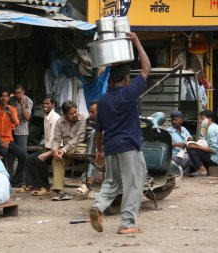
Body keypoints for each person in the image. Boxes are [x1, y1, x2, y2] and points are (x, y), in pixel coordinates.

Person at [90, 32, 151, 234]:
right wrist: (136, 42)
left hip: (111, 147)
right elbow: (146, 69)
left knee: (112, 182)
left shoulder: (103, 99)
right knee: (134, 184)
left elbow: (98, 130)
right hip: (129, 147)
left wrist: (99, 151)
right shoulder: (129, 93)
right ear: (126, 79)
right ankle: (127, 224)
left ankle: (98, 206)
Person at [0, 89, 26, 188]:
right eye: (1, 96)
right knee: (5, 154)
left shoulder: (12, 109)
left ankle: (16, 180)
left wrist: (11, 116)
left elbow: (16, 122)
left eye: (6, 96)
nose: (3, 98)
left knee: (24, 156)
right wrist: (1, 141)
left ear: (9, 97)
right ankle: (4, 181)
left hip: (9, 140)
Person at [50, 100, 86, 201]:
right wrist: (55, 150)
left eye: (75, 112)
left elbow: (79, 138)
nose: (75, 115)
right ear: (65, 114)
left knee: (71, 148)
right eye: (71, 113)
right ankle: (59, 191)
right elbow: (56, 139)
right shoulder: (60, 121)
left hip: (79, 148)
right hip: (67, 151)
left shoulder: (82, 118)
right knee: (56, 159)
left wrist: (63, 150)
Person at [25, 96, 60, 196]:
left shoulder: (55, 118)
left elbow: (55, 139)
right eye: (43, 103)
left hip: (56, 149)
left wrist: (46, 150)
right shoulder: (46, 116)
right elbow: (47, 137)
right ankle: (33, 185)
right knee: (29, 158)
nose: (44, 105)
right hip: (49, 147)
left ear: (53, 105)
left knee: (40, 159)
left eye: (47, 103)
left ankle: (46, 187)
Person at [187, 110, 218, 176]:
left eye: (202, 119)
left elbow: (213, 150)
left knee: (190, 148)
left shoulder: (211, 129)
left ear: (209, 119)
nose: (200, 121)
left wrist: (197, 146)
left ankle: (202, 170)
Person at [75, 100, 98, 196]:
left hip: (100, 148)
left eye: (93, 112)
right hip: (91, 147)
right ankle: (87, 182)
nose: (90, 114)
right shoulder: (89, 121)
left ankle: (87, 183)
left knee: (93, 160)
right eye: (90, 111)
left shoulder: (105, 122)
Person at [9, 85, 33, 154]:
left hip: (22, 126)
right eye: (16, 93)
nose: (18, 95)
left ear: (23, 92)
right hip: (11, 127)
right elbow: (7, 109)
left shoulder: (28, 101)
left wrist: (22, 104)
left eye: (19, 93)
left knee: (22, 152)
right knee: (11, 151)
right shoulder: (11, 99)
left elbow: (27, 117)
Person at [167, 111, 192, 175]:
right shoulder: (168, 131)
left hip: (185, 152)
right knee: (186, 157)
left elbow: (190, 140)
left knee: (193, 155)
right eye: (172, 120)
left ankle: (184, 175)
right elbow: (166, 145)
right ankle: (175, 173)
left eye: (175, 120)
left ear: (182, 120)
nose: (173, 122)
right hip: (174, 155)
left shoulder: (184, 129)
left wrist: (189, 141)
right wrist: (176, 145)